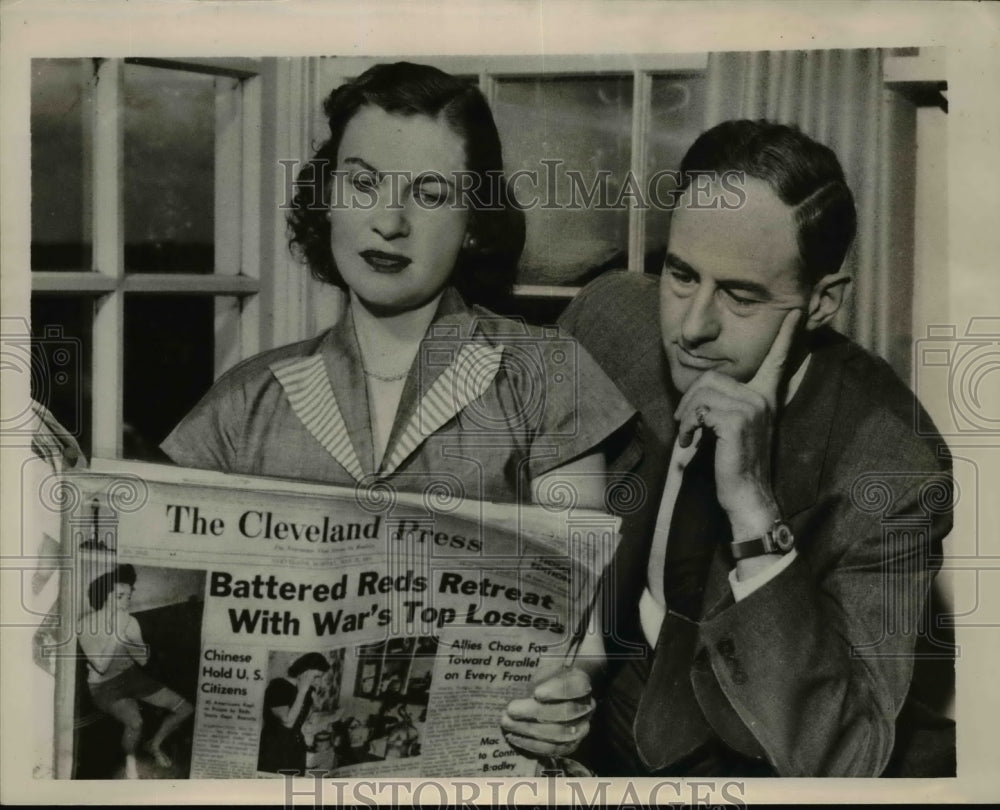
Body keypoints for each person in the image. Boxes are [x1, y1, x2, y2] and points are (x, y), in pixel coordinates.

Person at [500, 120, 953, 777]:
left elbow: (846, 762)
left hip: (750, 758)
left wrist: (753, 510)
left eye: (740, 296)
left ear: (822, 302)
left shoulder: (893, 467)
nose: (691, 328)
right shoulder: (608, 324)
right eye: (681, 276)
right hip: (607, 714)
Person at [161, 62, 636, 510]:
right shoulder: (247, 399)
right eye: (363, 184)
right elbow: (157, 569)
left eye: (429, 195)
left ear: (473, 221)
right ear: (328, 197)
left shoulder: (549, 377)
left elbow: (573, 583)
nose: (389, 222)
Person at [77, 565, 194, 778]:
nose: (126, 601)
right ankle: (130, 761)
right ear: (104, 596)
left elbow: (143, 659)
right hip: (103, 685)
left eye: (128, 596)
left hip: (131, 676)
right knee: (135, 722)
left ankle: (155, 744)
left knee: (185, 708)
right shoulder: (86, 625)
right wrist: (117, 635)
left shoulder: (130, 621)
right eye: (120, 595)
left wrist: (131, 637)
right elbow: (100, 667)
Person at [257, 652, 330, 774]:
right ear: (304, 671)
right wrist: (302, 691)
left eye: (321, 677)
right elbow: (288, 722)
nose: (318, 682)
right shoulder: (278, 686)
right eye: (316, 677)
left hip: (296, 749)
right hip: (274, 750)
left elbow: (301, 721)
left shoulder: (307, 691)